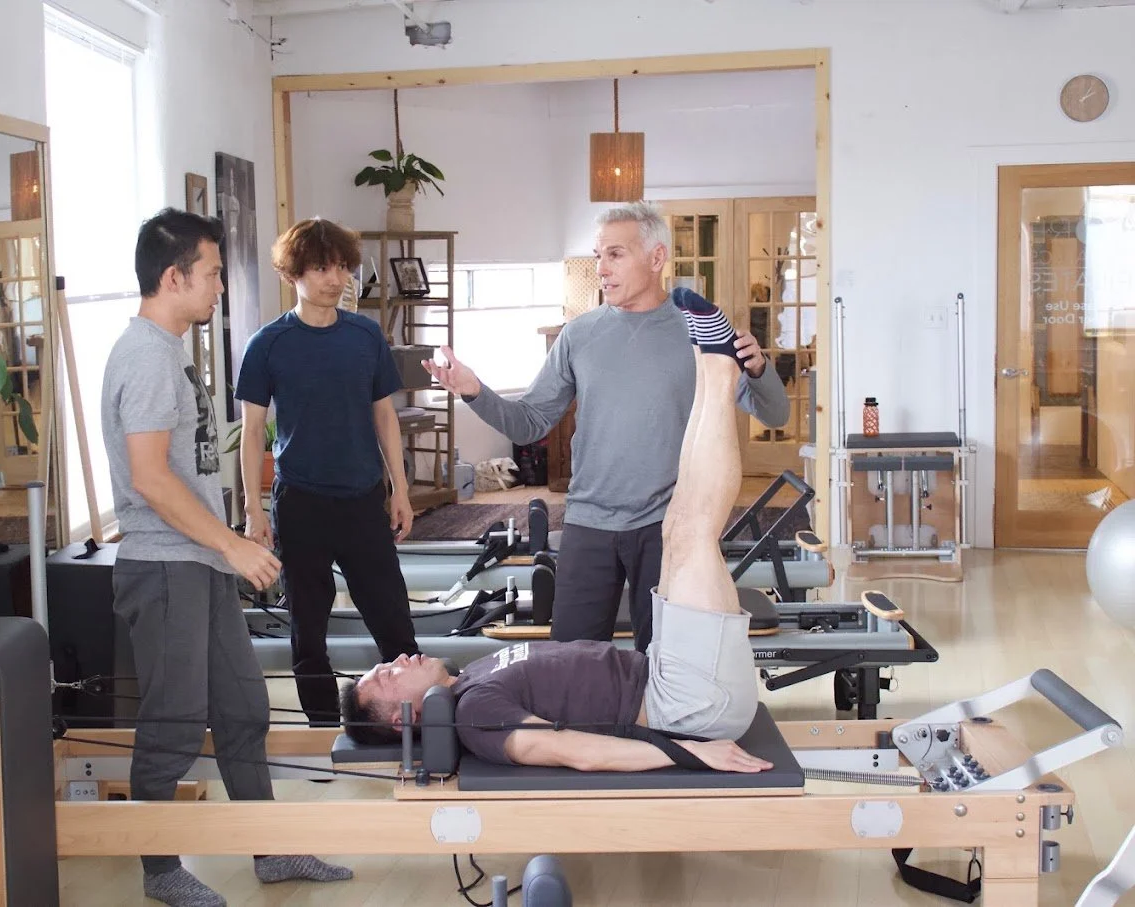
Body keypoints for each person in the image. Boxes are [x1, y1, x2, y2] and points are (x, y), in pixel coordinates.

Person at [342, 294, 774, 775]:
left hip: (669, 675)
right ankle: (718, 366)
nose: (397, 658)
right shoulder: (476, 715)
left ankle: (707, 358)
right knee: (695, 532)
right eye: (388, 675)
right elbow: (572, 751)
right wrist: (690, 752)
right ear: (408, 718)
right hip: (689, 703)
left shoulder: (470, 681)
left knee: (678, 525)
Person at [100, 208, 352, 907]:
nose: (219, 287)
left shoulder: (169, 349)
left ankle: (268, 848)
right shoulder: (147, 356)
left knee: (243, 709)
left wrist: (230, 540)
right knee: (175, 718)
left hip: (199, 563)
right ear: (174, 275)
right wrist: (233, 543)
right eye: (211, 273)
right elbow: (150, 477)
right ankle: (159, 869)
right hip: (166, 565)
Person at [423, 201, 789, 652]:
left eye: (615, 254)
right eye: (598, 256)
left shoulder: (699, 333)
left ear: (656, 258)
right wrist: (473, 389)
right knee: (569, 661)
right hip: (588, 522)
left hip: (666, 523)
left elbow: (775, 416)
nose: (601, 268)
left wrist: (758, 369)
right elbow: (529, 422)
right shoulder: (579, 335)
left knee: (667, 660)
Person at [235, 217, 421, 727]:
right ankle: (322, 732)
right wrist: (254, 509)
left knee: (395, 624)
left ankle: (411, 723)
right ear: (294, 273)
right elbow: (253, 434)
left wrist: (400, 489)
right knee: (308, 632)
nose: (334, 279)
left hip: (363, 500)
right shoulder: (267, 344)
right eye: (321, 268)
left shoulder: (365, 336)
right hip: (301, 505)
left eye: (341, 267)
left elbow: (385, 414)